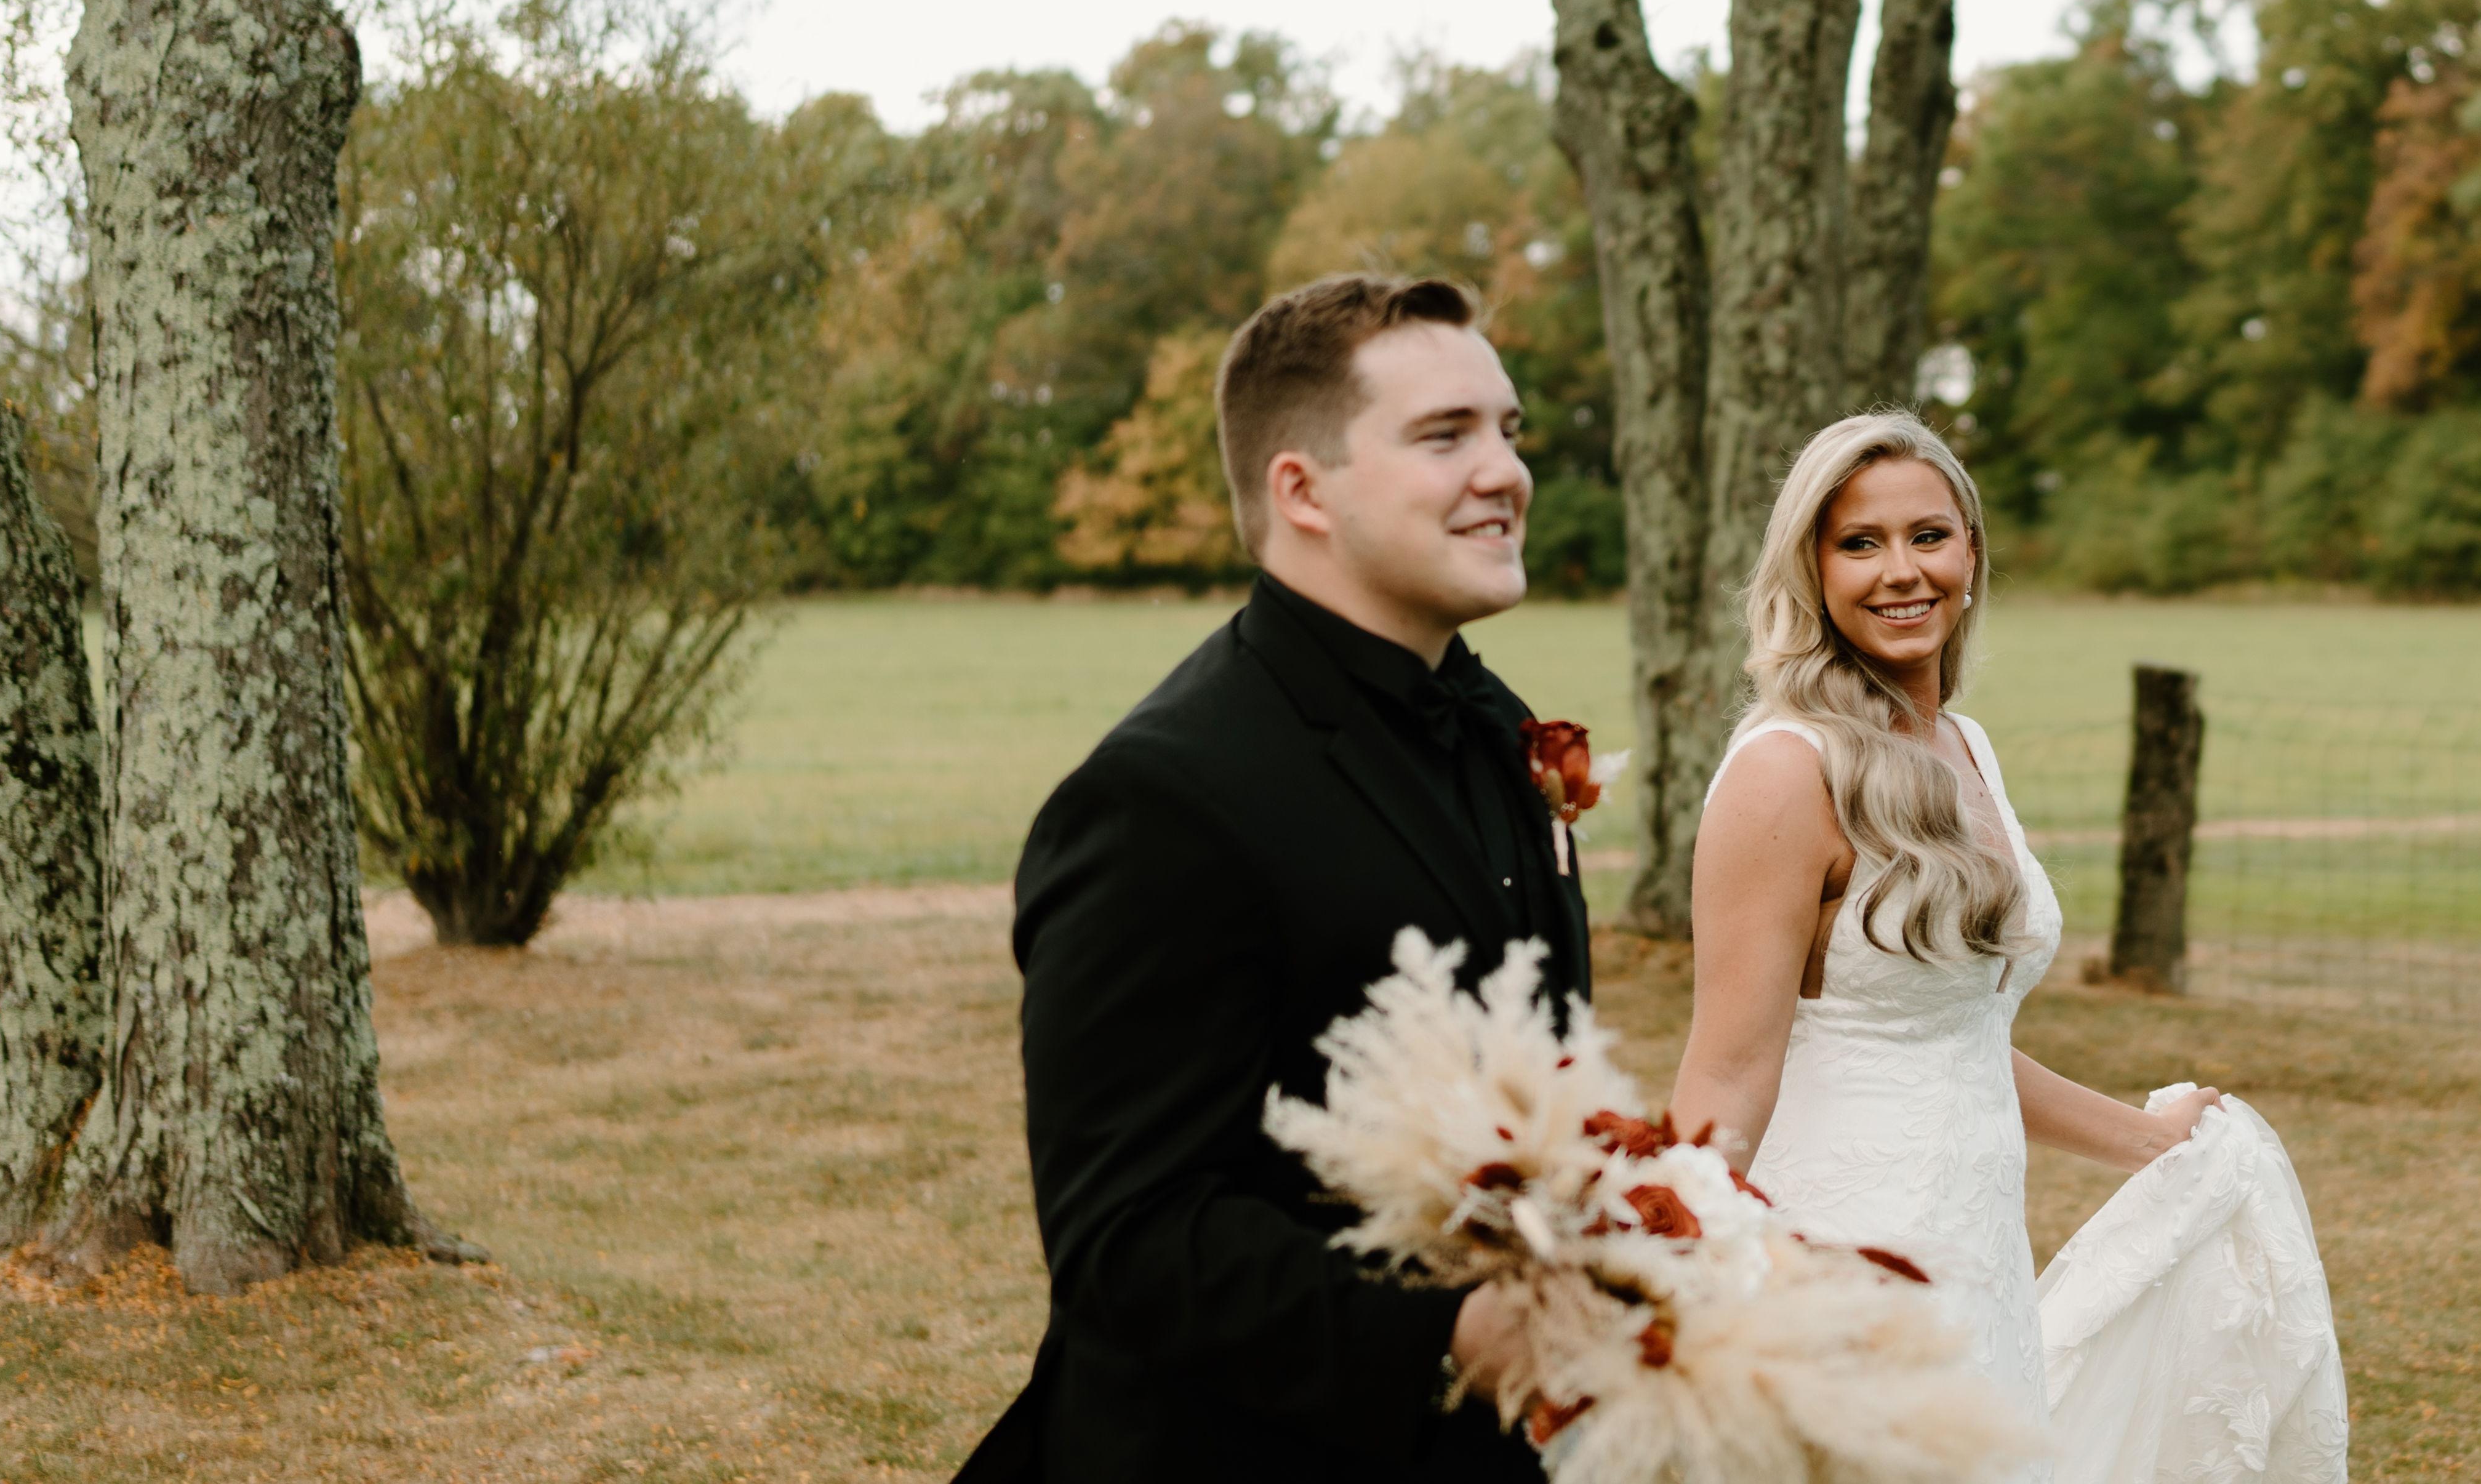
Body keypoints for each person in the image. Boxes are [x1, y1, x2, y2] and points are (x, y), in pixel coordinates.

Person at [960, 276, 1573, 1483]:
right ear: (1302, 490)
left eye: (1508, 431)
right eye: (1444, 435)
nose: (1506, 472)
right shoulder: (1159, 800)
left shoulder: (1499, 728)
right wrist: (1447, 1334)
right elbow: (1128, 1236)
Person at [1665, 412, 2240, 1474]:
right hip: (1841, 1252)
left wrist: (2146, 1141)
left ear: (1971, 553)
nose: (1902, 571)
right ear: (1812, 570)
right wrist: (1667, 1272)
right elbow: (1728, 1069)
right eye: (1860, 543)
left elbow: (1952, 1039)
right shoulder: (1785, 771)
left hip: (1978, 1248)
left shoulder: (1961, 745)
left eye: (1928, 535)